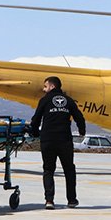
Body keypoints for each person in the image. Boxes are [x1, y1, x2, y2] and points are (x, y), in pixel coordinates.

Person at [29, 76, 86, 209]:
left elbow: (36, 119)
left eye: (45, 86)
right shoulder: (69, 101)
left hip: (48, 139)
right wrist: (82, 131)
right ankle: (72, 200)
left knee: (48, 169)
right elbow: (79, 117)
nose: (44, 89)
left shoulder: (44, 100)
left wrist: (35, 133)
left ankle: (49, 201)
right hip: (64, 140)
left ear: (52, 86)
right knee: (69, 169)